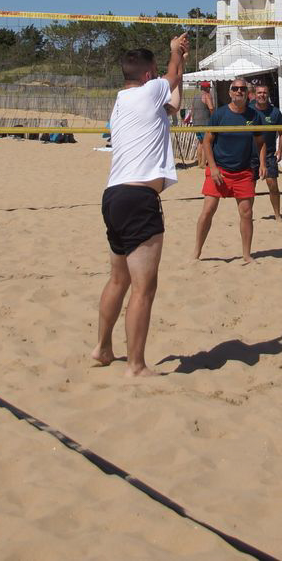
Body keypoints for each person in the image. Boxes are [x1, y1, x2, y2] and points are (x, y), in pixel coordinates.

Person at [94, 33, 188, 377]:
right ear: (149, 75)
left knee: (118, 281)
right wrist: (174, 53)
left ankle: (102, 348)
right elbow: (171, 77)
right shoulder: (149, 92)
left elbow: (173, 103)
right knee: (144, 289)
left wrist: (180, 63)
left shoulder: (124, 102)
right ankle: (136, 366)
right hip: (138, 199)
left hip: (114, 196)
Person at [197, 78, 261, 263]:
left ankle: (246, 255)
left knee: (246, 212)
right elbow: (207, 142)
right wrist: (213, 167)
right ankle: (196, 252)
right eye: (235, 88)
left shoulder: (254, 116)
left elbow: (261, 142)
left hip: (243, 172)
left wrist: (263, 163)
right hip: (219, 170)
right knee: (208, 210)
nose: (239, 91)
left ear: (248, 93)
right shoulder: (219, 114)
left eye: (242, 89)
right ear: (230, 92)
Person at [250, 81, 282, 221]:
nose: (262, 95)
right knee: (249, 188)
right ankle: (248, 216)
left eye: (264, 92)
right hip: (250, 155)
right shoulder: (248, 110)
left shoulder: (275, 112)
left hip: (269, 154)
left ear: (268, 94)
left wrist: (280, 150)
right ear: (255, 94)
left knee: (272, 185)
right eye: (259, 92)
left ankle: (277, 215)